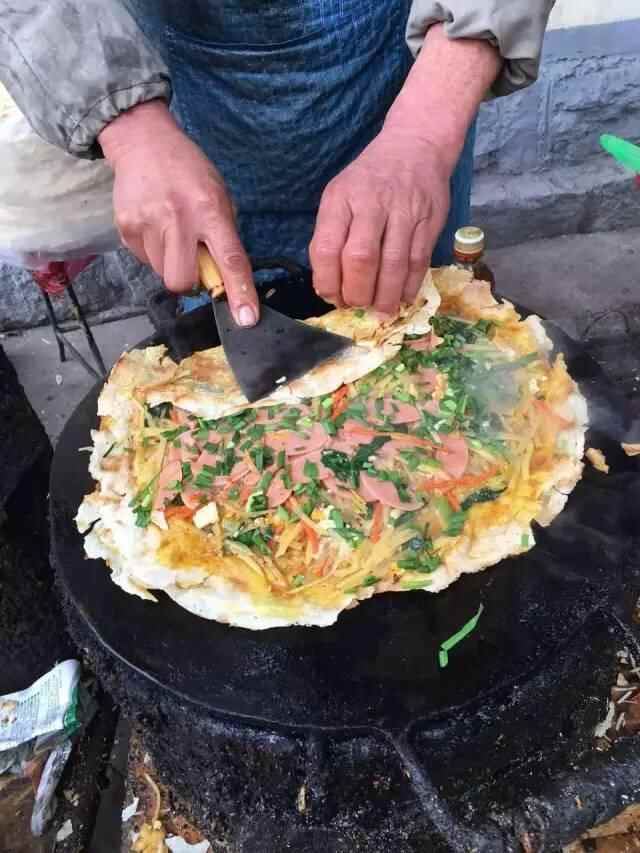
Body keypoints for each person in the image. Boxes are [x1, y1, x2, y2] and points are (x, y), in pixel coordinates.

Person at [0, 1, 554, 326]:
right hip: (191, 78)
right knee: (228, 348)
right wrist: (130, 126)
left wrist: (424, 131)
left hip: (407, 58)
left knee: (417, 323)